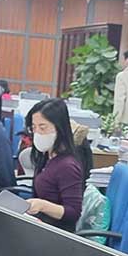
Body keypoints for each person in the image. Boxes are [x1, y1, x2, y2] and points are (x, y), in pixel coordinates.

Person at [24, 98, 84, 231]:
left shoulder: (67, 166)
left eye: (42, 127)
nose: (37, 133)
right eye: (34, 128)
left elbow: (73, 213)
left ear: (59, 128)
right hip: (40, 224)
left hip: (55, 233)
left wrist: (42, 205)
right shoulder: (47, 156)